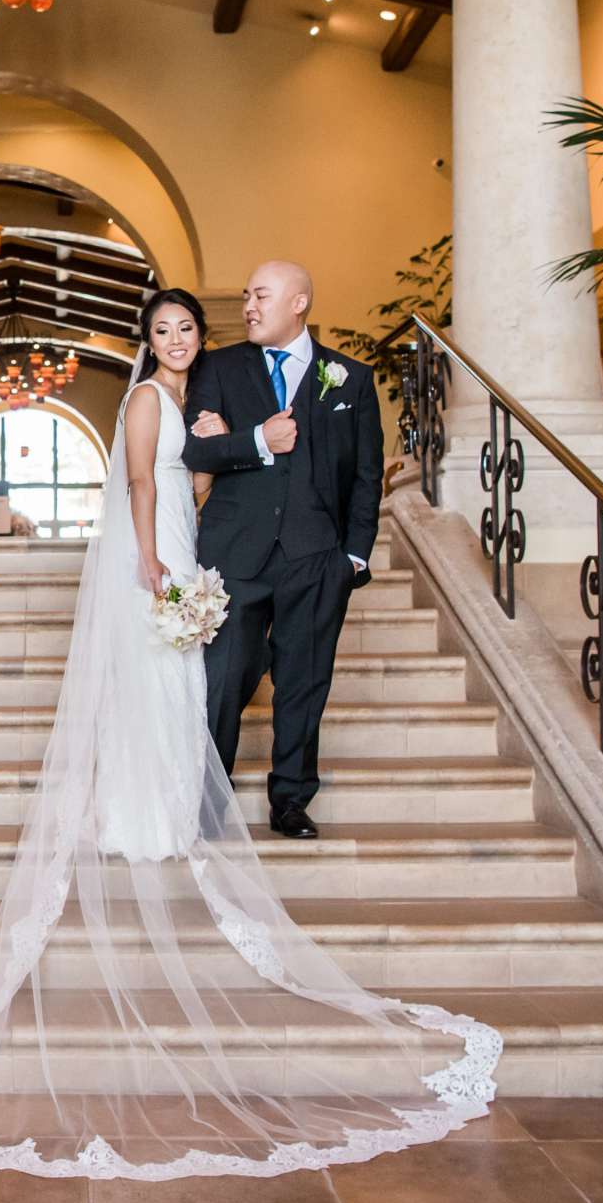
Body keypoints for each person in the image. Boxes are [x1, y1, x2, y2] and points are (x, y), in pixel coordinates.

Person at [0, 288, 497, 1181]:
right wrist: (148, 558)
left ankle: (177, 803)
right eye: (163, 331)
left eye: (186, 329)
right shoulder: (147, 399)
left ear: (197, 338)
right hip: (160, 546)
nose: (177, 340)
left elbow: (212, 468)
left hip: (200, 538)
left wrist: (235, 480)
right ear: (146, 342)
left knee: (183, 683)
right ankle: (143, 810)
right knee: (164, 676)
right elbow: (144, 478)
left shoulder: (200, 394)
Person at [181, 260, 381, 841]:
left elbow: (366, 476)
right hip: (235, 552)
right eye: (245, 295)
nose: (248, 306)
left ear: (299, 303)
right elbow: (198, 452)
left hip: (316, 556)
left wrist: (354, 557)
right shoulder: (217, 368)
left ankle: (291, 799)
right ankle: (206, 799)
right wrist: (255, 442)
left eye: (260, 296)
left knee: (304, 679)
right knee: (224, 678)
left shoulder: (351, 378)